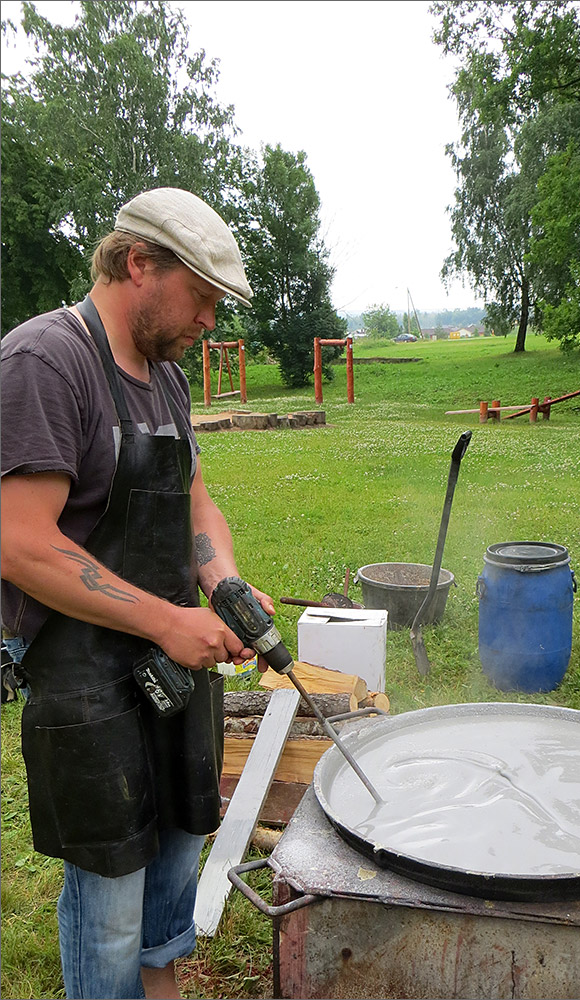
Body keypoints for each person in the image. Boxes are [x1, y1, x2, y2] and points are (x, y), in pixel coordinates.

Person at [1, 187, 274, 1000]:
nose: (209, 322)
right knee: (114, 895)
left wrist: (219, 580)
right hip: (81, 675)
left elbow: (196, 504)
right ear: (137, 264)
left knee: (175, 869)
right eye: (201, 297)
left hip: (172, 658)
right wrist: (168, 621)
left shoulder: (167, 381)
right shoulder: (46, 362)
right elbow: (20, 541)